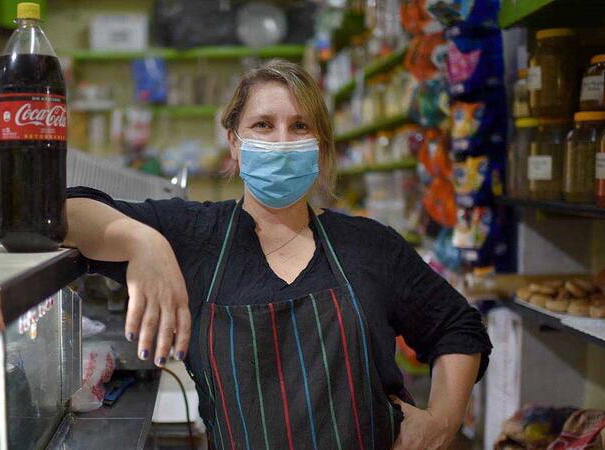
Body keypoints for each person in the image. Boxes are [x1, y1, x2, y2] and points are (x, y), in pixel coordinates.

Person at [65, 59, 491, 450]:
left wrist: (443, 421)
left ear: (321, 146)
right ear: (234, 142)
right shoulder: (193, 237)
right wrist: (144, 242)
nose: (283, 142)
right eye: (264, 125)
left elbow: (456, 327)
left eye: (300, 126)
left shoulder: (369, 245)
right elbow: (61, 212)